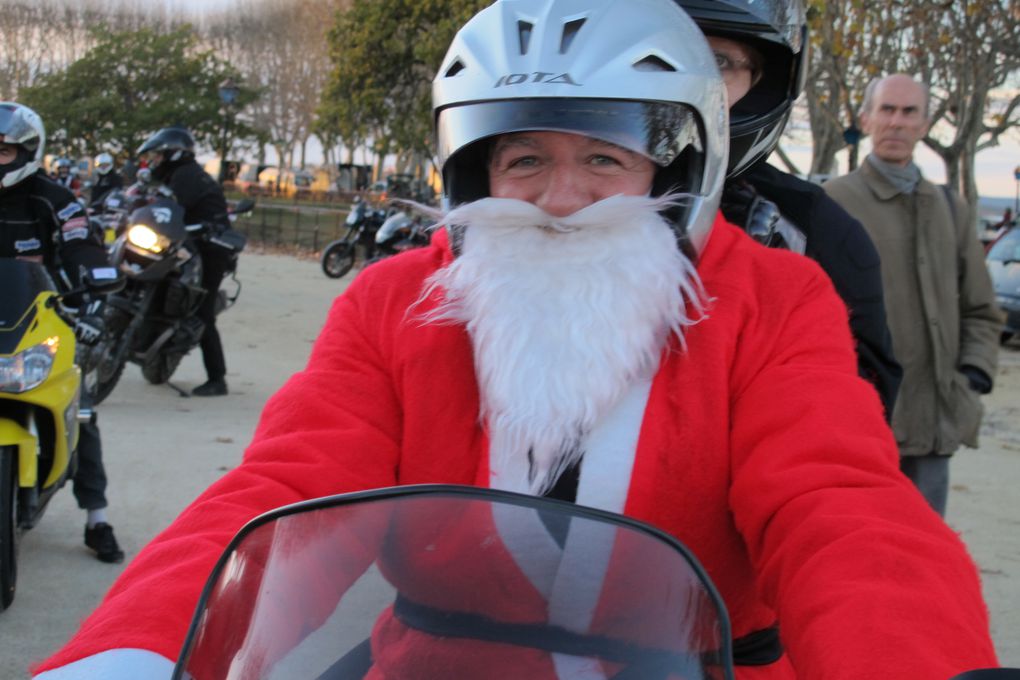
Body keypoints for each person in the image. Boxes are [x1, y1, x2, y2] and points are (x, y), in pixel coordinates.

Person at [33, 2, 999, 678]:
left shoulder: (773, 295)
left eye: (604, 160)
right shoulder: (396, 301)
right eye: (524, 159)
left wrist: (919, 666)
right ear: (469, 177)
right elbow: (290, 493)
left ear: (679, 167)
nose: (560, 197)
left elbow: (837, 504)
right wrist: (139, 648)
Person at [676, 0, 902, 417]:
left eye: (720, 61)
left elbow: (853, 411)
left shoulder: (814, 227)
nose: (694, 79)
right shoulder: (555, 190)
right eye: (672, 51)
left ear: (764, 81)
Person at [824, 74, 1003, 517]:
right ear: (866, 119)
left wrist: (972, 377)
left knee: (922, 562)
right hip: (857, 427)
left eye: (909, 112)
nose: (896, 123)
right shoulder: (829, 203)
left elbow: (981, 309)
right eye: (887, 110)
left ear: (924, 124)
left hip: (932, 425)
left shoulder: (950, 207)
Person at [0, 102, 124, 563]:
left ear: (28, 151)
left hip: (40, 317)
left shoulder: (54, 199)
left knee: (80, 405)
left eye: (3, 151)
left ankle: (97, 518)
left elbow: (82, 245)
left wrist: (95, 295)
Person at [135, 126, 233, 397]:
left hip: (210, 250)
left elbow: (177, 208)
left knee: (201, 313)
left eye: (157, 157)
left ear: (173, 154)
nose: (153, 162)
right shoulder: (175, 176)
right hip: (188, 246)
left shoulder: (186, 176)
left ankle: (218, 379)